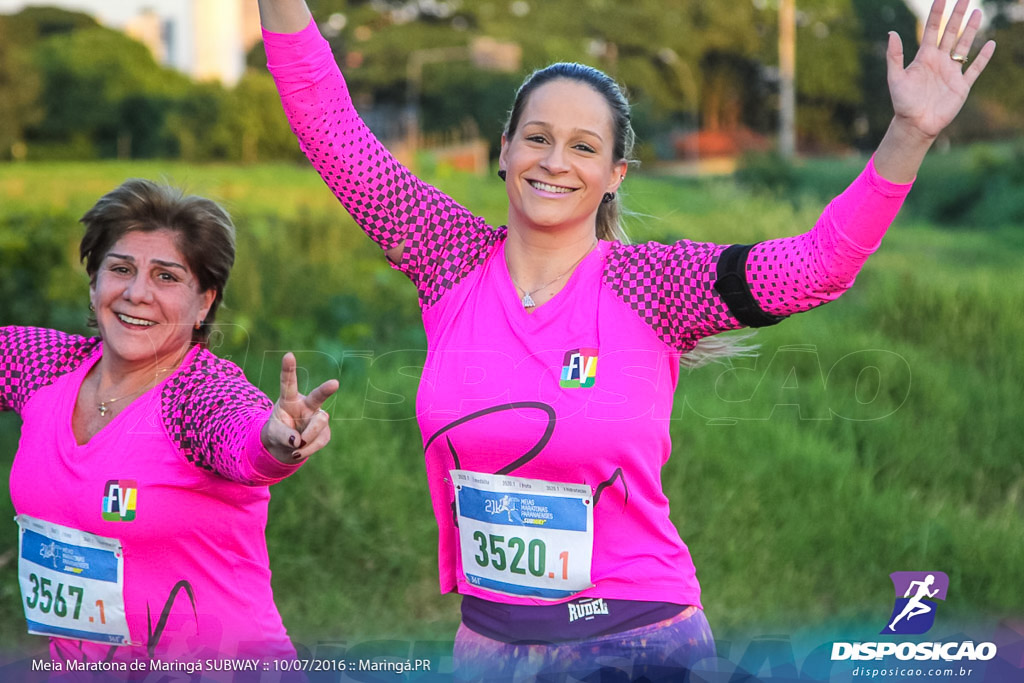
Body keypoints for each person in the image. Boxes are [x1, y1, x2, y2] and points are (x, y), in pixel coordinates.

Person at [259, 0, 993, 679]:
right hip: (488, 646)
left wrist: (910, 134)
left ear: (614, 175)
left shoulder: (651, 284)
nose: (554, 161)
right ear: (504, 149)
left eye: (583, 147)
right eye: (537, 138)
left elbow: (815, 267)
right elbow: (332, 132)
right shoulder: (447, 255)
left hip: (636, 639)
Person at [0, 179, 338, 670]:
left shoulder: (196, 392)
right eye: (120, 269)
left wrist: (280, 440)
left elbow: (242, 434)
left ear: (203, 302)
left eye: (166, 277)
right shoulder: (44, 367)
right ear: (94, 283)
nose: (137, 293)